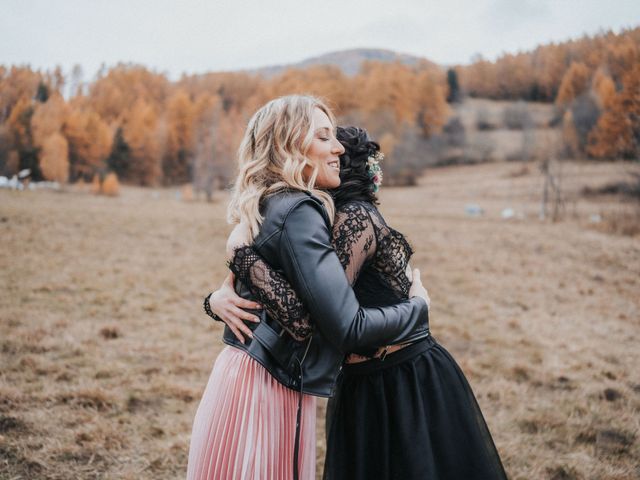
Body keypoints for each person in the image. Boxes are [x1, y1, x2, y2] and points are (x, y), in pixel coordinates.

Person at [219, 126, 508, 479]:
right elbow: (288, 291)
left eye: (335, 150)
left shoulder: (351, 219)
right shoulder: (313, 220)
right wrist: (216, 297)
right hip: (364, 381)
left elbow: (312, 317)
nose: (331, 153)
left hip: (401, 379)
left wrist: (242, 255)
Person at [187, 95, 430, 480]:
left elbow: (275, 296)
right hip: (267, 382)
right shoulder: (300, 210)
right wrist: (419, 307)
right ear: (288, 145)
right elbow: (318, 324)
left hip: (246, 369)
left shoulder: (271, 202)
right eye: (323, 137)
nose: (338, 148)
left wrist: (219, 290)